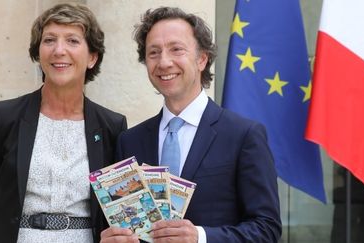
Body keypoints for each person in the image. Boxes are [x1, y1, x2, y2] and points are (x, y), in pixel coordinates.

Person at [101, 7, 281, 243]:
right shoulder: (129, 140)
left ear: (202, 59)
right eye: (153, 52)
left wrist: (200, 237)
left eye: (176, 49)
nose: (164, 62)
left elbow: (267, 229)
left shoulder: (244, 135)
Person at [0, 3, 126, 243]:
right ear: (38, 52)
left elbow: (115, 207)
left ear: (92, 57)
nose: (59, 50)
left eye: (72, 41)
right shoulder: (3, 117)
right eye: (49, 40)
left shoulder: (111, 126)